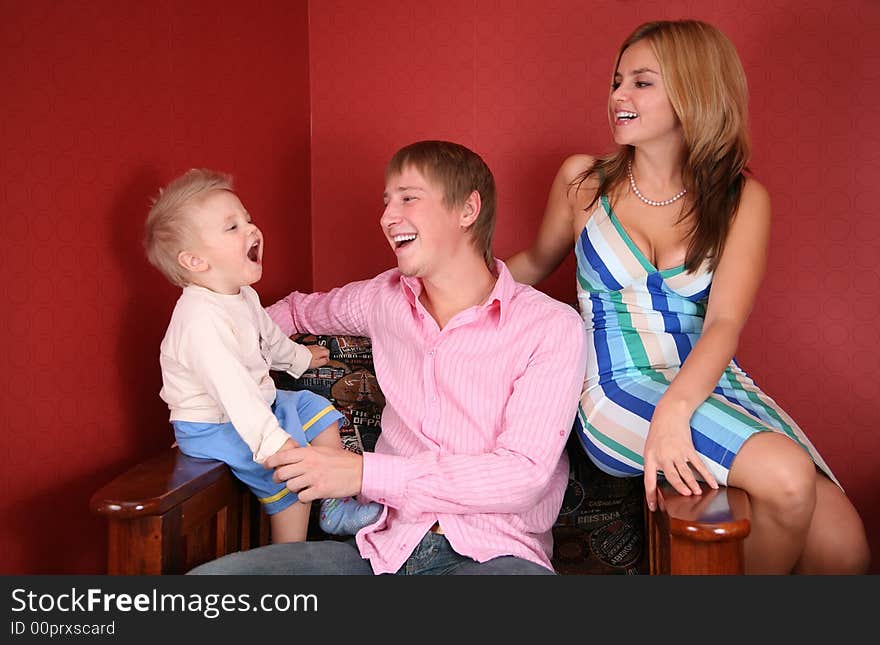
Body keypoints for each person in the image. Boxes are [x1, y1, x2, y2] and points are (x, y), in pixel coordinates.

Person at [507, 19, 870, 574]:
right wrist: (440, 286)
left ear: (692, 92)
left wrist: (678, 406)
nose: (618, 96)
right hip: (618, 386)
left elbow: (724, 322)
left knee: (845, 549)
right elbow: (531, 264)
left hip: (710, 379)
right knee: (788, 479)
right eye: (616, 81)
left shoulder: (742, 198)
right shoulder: (583, 182)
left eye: (641, 83)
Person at [188, 140, 587, 575]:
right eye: (386, 201)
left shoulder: (550, 326)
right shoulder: (384, 298)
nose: (386, 217)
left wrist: (363, 475)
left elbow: (521, 476)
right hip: (378, 552)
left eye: (408, 198)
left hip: (494, 559)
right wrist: (215, 352)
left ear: (467, 209)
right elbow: (296, 311)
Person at [144, 168, 383, 543]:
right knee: (291, 476)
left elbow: (269, 340)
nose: (252, 230)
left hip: (257, 405)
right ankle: (287, 557)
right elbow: (232, 390)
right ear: (195, 261)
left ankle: (336, 506)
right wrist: (276, 444)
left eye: (248, 220)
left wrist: (300, 359)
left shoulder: (243, 295)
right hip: (214, 425)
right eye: (232, 227)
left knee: (316, 410)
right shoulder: (199, 321)